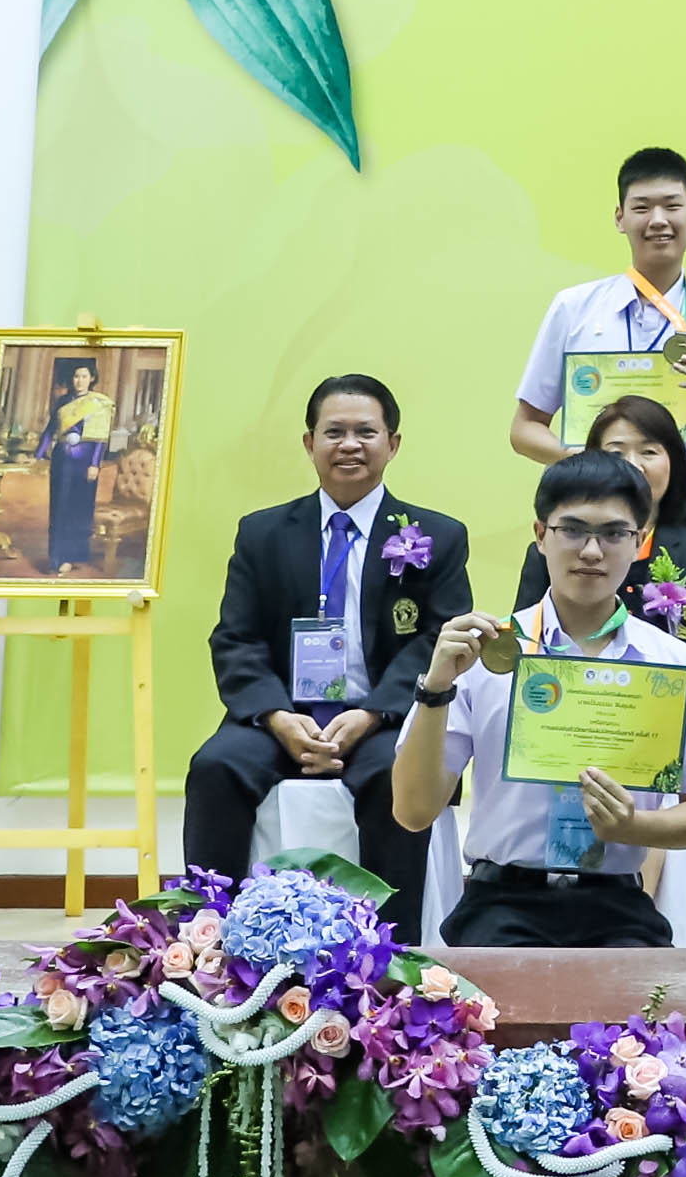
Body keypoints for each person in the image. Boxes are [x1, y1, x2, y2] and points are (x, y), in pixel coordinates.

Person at [391, 451, 686, 948]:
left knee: (647, 997)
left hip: (618, 906)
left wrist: (636, 826)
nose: (591, 551)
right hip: (500, 903)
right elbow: (412, 811)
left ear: (639, 541)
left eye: (613, 533)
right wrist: (435, 689)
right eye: (572, 530)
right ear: (540, 534)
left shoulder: (672, 663)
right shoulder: (486, 654)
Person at [187, 374, 474, 939]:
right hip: (280, 716)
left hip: (383, 718)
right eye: (334, 432)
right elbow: (236, 639)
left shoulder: (437, 536)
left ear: (393, 443)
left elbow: (437, 642)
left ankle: (393, 953)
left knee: (396, 776)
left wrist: (373, 713)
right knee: (215, 766)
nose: (350, 445)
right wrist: (276, 716)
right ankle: (209, 939)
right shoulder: (263, 533)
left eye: (365, 432)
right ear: (309, 443)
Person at [511, 147, 686, 530]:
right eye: (642, 208)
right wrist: (589, 460)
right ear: (620, 218)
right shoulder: (573, 309)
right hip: (591, 515)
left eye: (672, 205)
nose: (658, 220)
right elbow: (524, 430)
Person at [515, 393, 686, 725]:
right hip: (563, 725)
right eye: (616, 452)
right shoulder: (554, 551)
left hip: (675, 729)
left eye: (649, 452)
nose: (633, 464)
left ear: (675, 462)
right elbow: (525, 651)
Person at [40, 360, 114, 576]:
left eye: (84, 376)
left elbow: (100, 439)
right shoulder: (63, 401)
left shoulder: (99, 403)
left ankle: (71, 556)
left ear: (92, 378)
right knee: (59, 508)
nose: (79, 381)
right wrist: (36, 454)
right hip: (62, 461)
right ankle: (56, 557)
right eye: (76, 376)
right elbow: (49, 431)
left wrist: (95, 464)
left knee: (78, 510)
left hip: (85, 463)